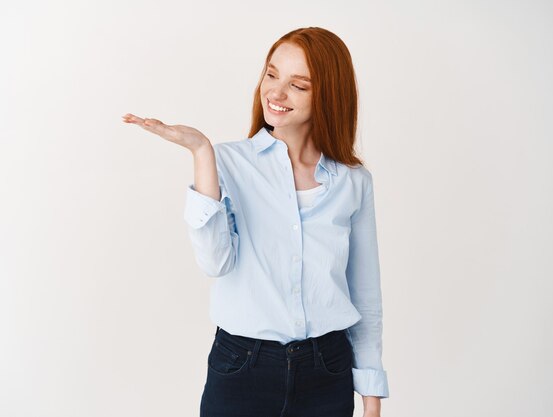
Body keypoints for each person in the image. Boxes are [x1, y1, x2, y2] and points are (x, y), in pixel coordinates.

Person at [123, 26, 389, 417]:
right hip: (242, 367)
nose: (276, 94)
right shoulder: (227, 162)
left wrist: (371, 397)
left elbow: (365, 297)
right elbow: (215, 263)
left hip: (327, 371)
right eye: (271, 74)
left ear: (329, 95)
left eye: (298, 85)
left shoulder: (354, 182)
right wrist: (201, 152)